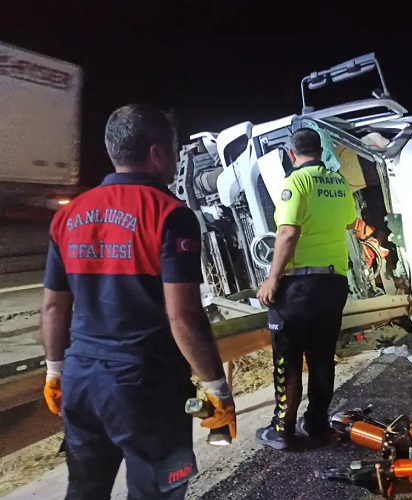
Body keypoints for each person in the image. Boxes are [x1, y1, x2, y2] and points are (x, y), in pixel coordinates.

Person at [41, 104, 236, 499]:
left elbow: (53, 307)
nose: (177, 156)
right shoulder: (170, 215)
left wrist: (55, 371)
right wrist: (218, 388)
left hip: (81, 382)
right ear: (157, 153)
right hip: (147, 390)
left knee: (83, 491)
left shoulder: (68, 216)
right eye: (175, 147)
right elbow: (183, 317)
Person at [255, 127, 355, 450]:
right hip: (334, 283)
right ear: (321, 150)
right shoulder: (340, 183)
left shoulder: (296, 182)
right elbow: (350, 222)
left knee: (289, 358)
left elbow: (287, 233)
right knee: (323, 357)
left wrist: (273, 278)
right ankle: (317, 424)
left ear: (291, 153)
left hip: (299, 286)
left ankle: (282, 429)